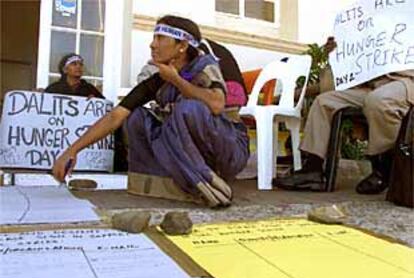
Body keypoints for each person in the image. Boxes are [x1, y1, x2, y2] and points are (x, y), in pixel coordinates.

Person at [52, 15, 249, 207]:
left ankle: (205, 179)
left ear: (182, 46)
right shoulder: (159, 79)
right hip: (190, 150)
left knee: (190, 109)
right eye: (154, 38)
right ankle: (167, 184)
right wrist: (72, 150)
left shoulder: (205, 65)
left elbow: (216, 104)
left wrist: (177, 80)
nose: (152, 45)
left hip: (228, 148)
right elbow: (116, 116)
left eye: (160, 38)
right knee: (136, 117)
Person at [274, 37, 414, 194]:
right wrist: (335, 55)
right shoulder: (371, 22)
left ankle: (385, 167)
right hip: (370, 83)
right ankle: (312, 169)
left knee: (379, 101)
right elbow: (334, 80)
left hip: (407, 81)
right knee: (324, 102)